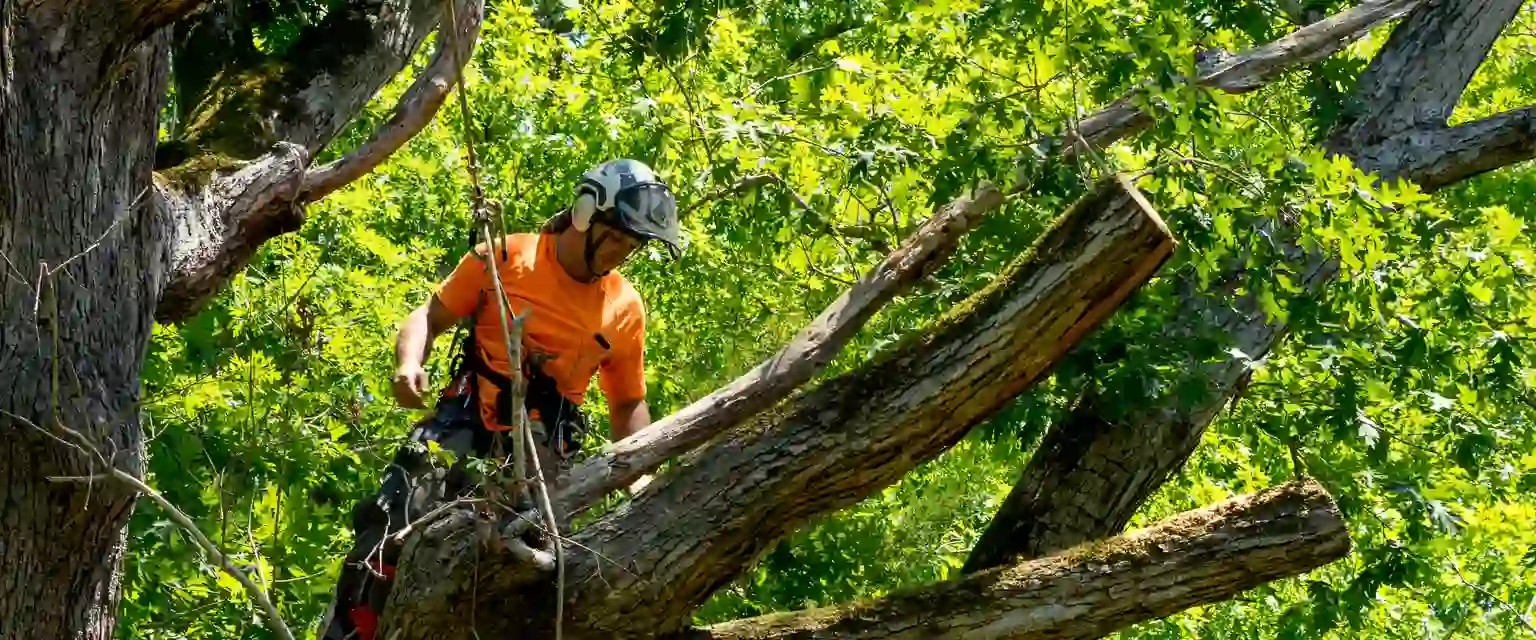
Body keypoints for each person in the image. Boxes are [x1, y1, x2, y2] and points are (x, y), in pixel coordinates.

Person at [319, 158, 682, 640]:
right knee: (392, 521)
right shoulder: (507, 257)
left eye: (631, 245)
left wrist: (642, 474)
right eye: (615, 237)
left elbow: (626, 404)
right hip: (465, 418)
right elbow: (429, 314)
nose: (620, 252)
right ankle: (349, 631)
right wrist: (408, 364)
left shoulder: (625, 308)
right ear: (584, 212)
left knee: (523, 571)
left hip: (543, 451)